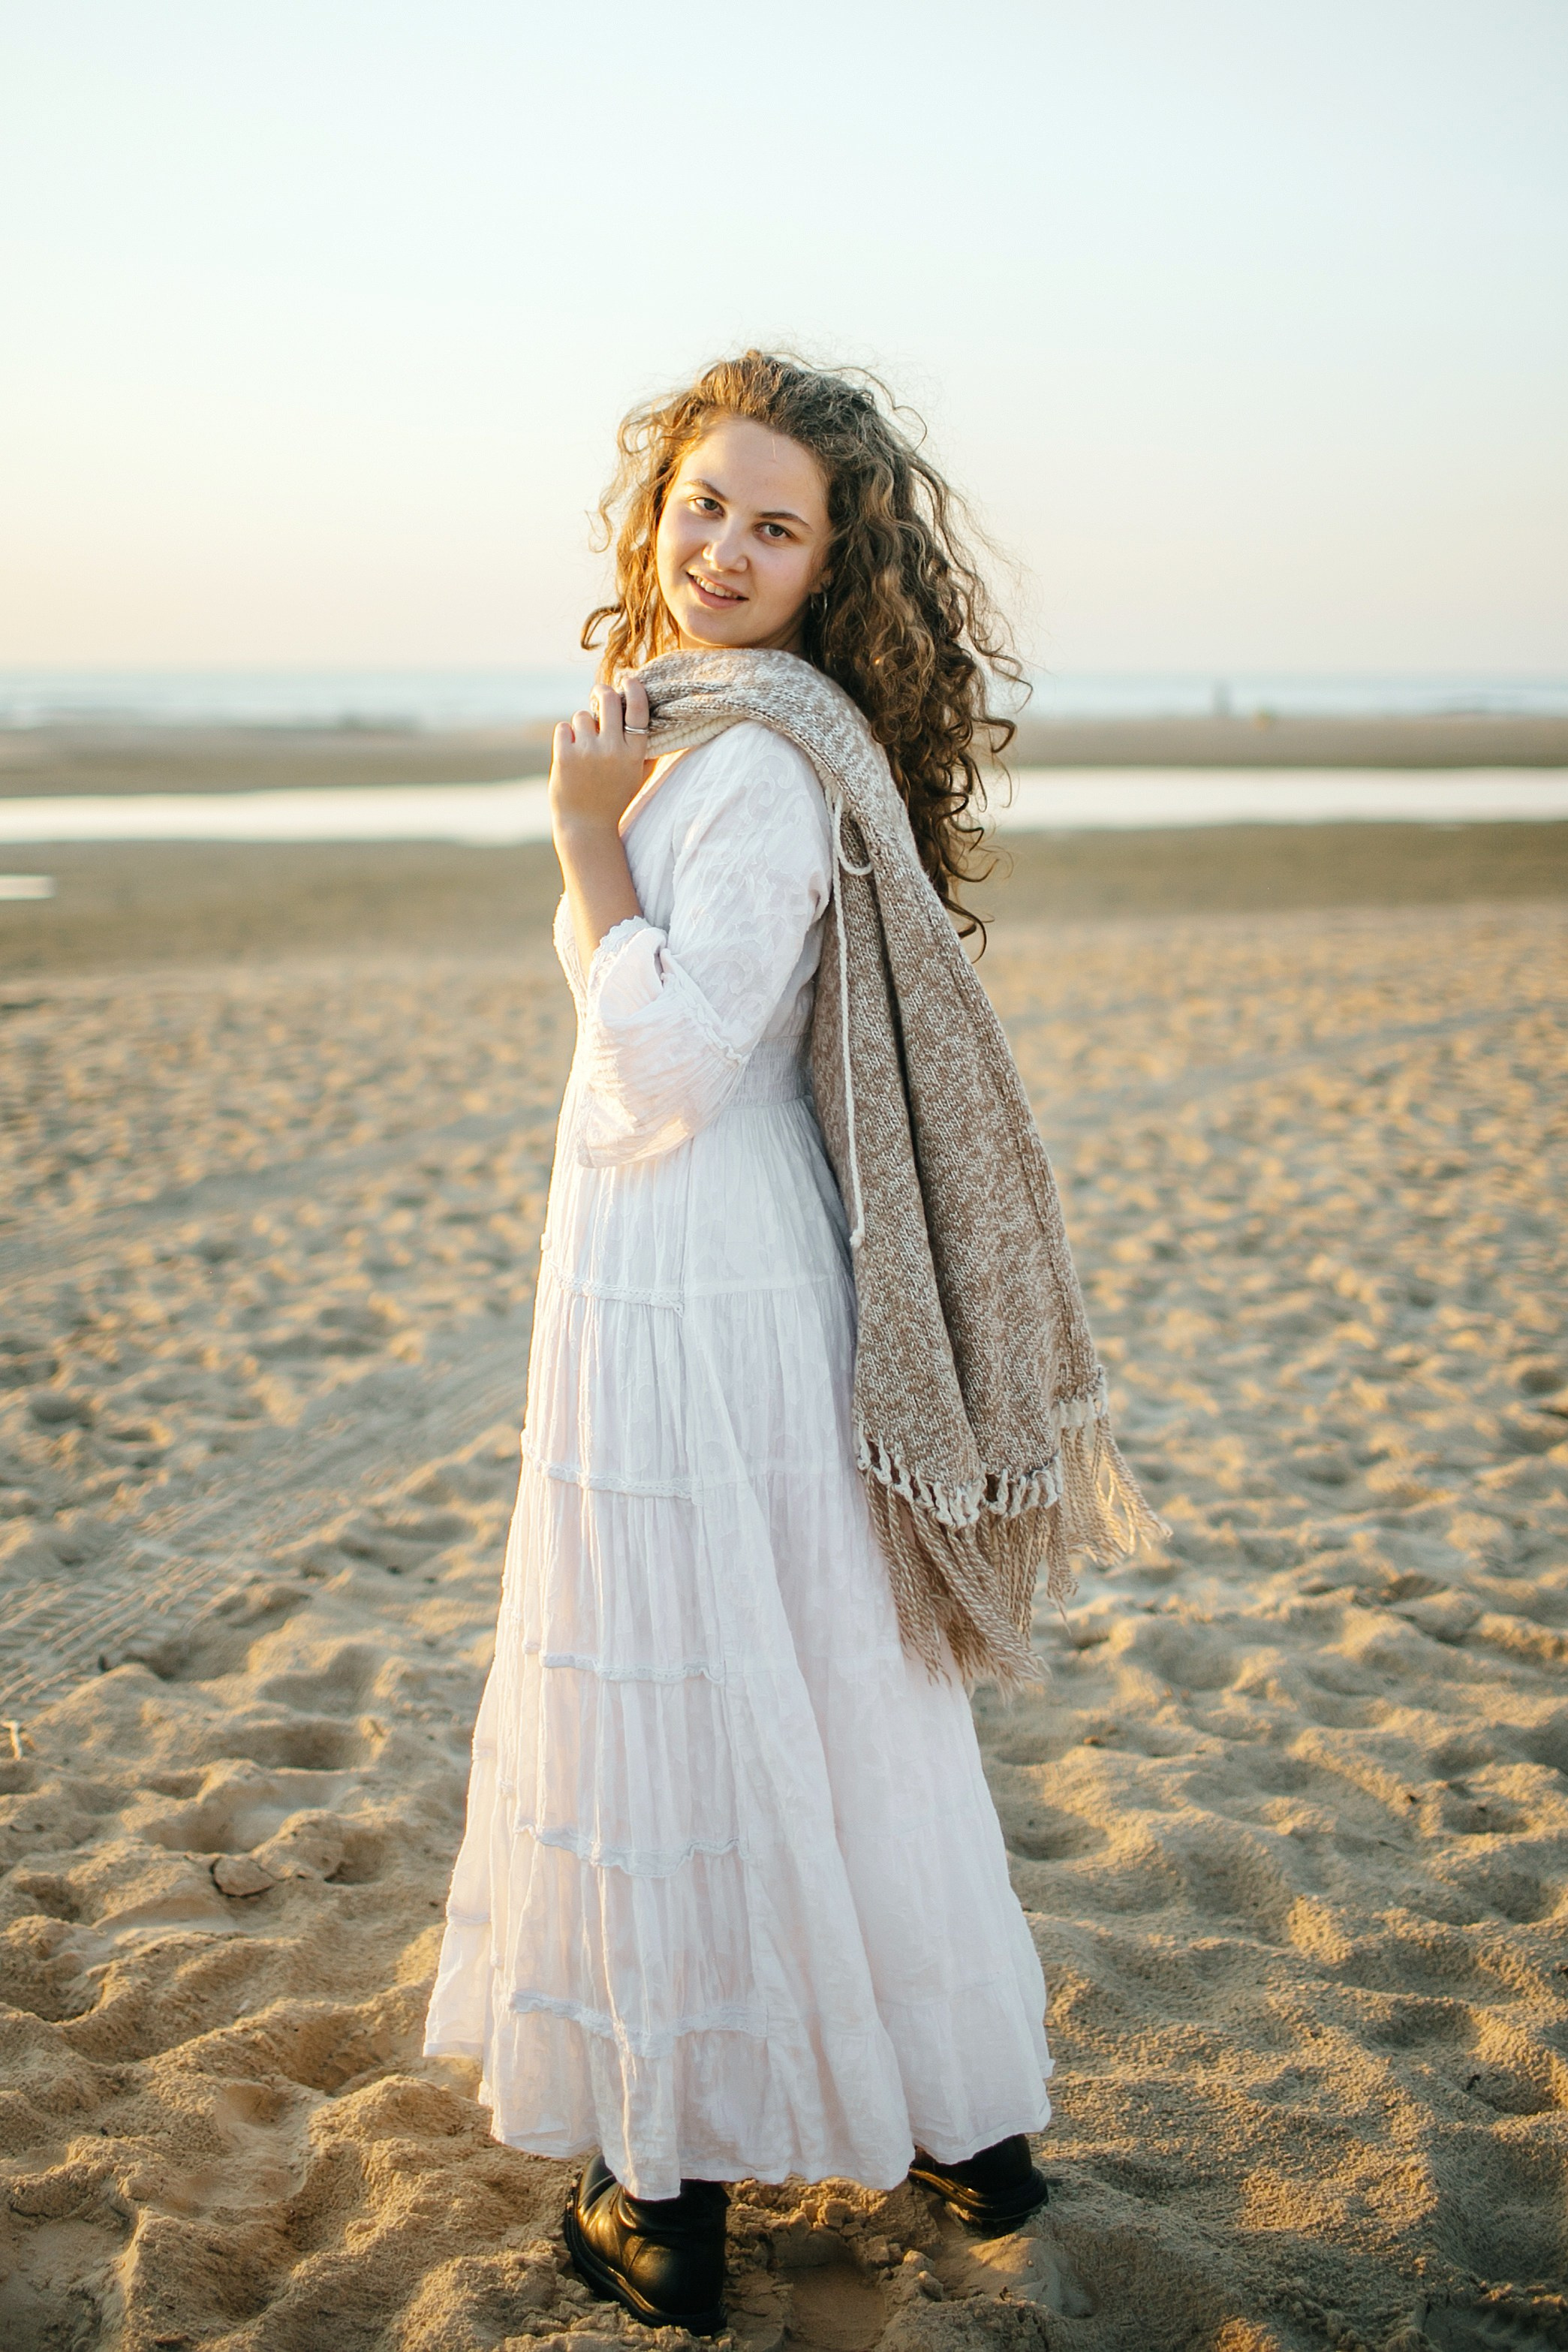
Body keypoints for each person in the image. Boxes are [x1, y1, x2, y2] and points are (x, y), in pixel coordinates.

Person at [424, 353, 1069, 2334]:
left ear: (826, 567)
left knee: (690, 1674)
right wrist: (619, 805)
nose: (720, 546)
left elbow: (675, 1058)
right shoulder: (714, 725)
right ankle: (961, 2128)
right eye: (703, 501)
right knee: (808, 1659)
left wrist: (577, 837)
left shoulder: (761, 759)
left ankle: (663, 2190)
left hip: (698, 1269)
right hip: (704, 1253)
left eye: (772, 526)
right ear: (655, 502)